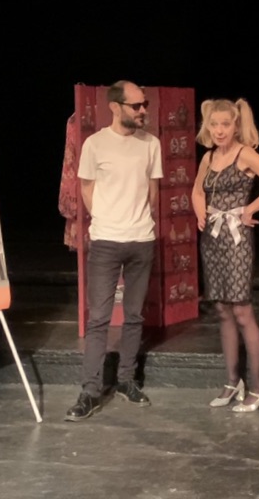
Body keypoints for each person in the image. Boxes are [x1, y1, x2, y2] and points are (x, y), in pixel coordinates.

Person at [66, 80, 163, 421]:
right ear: (115, 107)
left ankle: (126, 380)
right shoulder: (94, 144)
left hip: (141, 240)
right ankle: (91, 392)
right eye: (136, 105)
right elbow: (87, 189)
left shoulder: (151, 144)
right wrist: (108, 220)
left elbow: (153, 191)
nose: (143, 110)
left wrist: (139, 222)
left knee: (134, 315)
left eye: (144, 104)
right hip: (106, 241)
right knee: (99, 319)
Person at [192, 98, 259, 412]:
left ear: (235, 125)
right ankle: (233, 381)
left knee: (242, 311)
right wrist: (200, 212)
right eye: (214, 124)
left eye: (225, 124)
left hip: (236, 239)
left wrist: (250, 209)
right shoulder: (208, 157)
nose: (219, 130)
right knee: (222, 309)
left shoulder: (244, 154)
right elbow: (197, 190)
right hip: (212, 238)